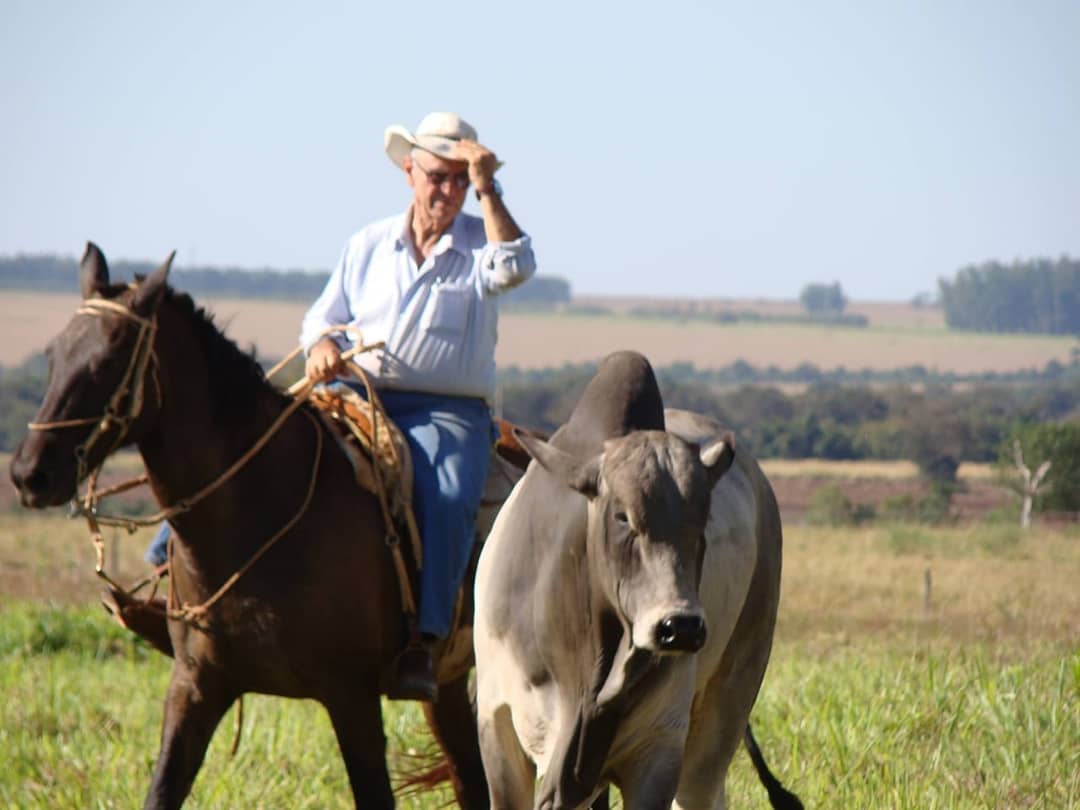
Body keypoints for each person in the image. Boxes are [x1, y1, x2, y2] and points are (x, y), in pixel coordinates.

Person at [300, 111, 536, 701]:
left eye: (463, 180)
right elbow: (321, 317)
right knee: (273, 435)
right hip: (359, 390)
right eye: (440, 177)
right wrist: (323, 345)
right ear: (410, 170)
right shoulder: (370, 243)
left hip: (446, 412)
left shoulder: (482, 243)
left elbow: (518, 266)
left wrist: (491, 188)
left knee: (452, 494)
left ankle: (425, 641)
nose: (450, 191)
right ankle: (168, 562)